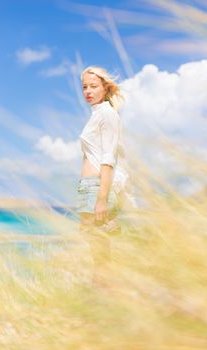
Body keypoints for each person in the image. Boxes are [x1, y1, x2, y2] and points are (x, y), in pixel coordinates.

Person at [76, 66, 130, 286]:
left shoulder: (107, 114)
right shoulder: (97, 114)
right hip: (88, 186)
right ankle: (103, 294)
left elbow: (108, 158)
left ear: (105, 87)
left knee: (100, 247)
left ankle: (104, 294)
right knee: (96, 245)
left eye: (93, 86)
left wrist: (101, 199)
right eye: (84, 87)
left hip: (97, 187)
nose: (88, 91)